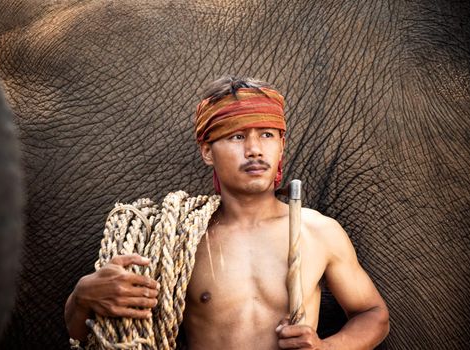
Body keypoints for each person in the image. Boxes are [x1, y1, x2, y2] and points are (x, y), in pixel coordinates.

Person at [65, 76, 390, 349]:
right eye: (237, 136)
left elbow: (373, 313)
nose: (254, 149)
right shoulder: (176, 241)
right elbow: (86, 334)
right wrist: (81, 299)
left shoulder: (318, 231)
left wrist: (327, 348)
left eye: (266, 135)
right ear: (207, 151)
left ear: (281, 147)